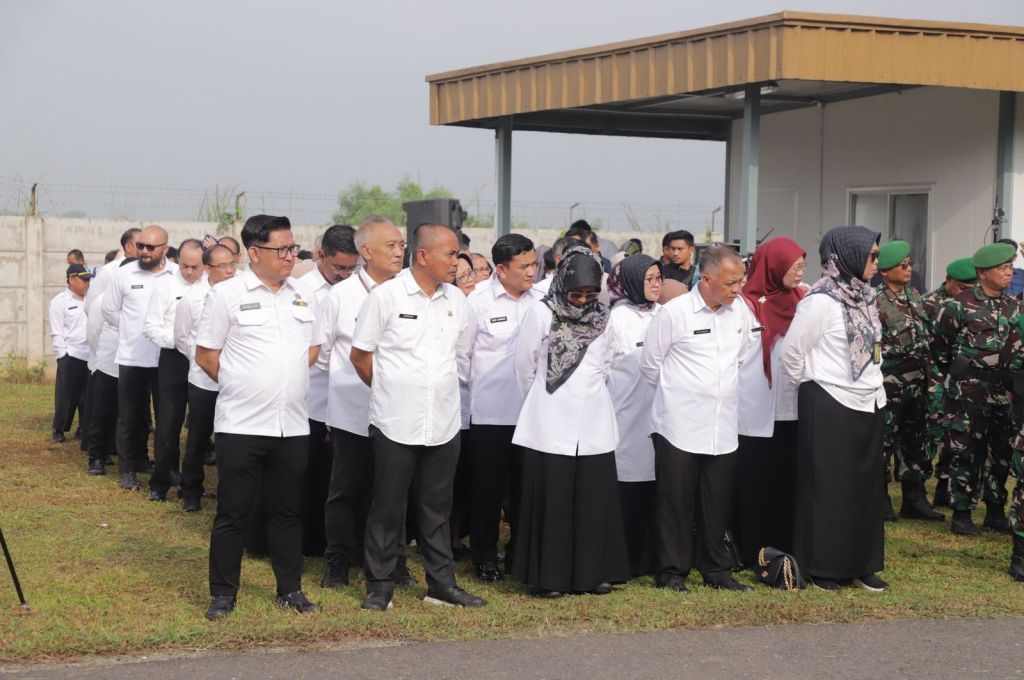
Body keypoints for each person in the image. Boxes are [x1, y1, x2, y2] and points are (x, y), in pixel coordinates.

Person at [351, 223, 484, 611]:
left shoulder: (456, 300)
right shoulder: (386, 296)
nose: (457, 262)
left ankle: (441, 585)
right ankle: (380, 587)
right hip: (395, 421)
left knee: (437, 507)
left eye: (458, 254)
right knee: (387, 506)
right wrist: (390, 389)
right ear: (423, 256)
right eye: (450, 254)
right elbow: (361, 355)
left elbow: (461, 356)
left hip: (443, 421)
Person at [196, 215, 321, 620]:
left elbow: (313, 349)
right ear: (254, 252)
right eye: (281, 249)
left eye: (292, 248)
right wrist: (242, 384)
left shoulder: (304, 294)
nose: (290, 256)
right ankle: (223, 594)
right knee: (234, 511)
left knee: (288, 511)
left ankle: (290, 589)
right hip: (241, 424)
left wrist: (283, 381)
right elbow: (206, 354)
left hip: (292, 424)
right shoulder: (227, 294)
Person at [511, 244, 629, 597]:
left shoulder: (604, 317)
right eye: (576, 294)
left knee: (593, 498)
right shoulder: (541, 312)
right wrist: (542, 402)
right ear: (562, 284)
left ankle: (593, 574)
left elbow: (607, 363)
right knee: (554, 499)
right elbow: (524, 366)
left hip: (594, 418)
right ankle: (551, 578)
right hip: (549, 417)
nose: (582, 301)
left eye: (590, 294)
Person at [780, 225, 887, 592]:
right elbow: (792, 354)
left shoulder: (866, 295)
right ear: (848, 257)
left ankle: (862, 564)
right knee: (828, 489)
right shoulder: (820, 301)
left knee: (865, 489)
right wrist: (815, 387)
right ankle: (823, 567)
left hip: (869, 399)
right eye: (871, 256)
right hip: (830, 402)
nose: (876, 263)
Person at [641, 245, 754, 593]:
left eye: (741, 281)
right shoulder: (674, 313)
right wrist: (683, 394)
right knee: (676, 502)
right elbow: (650, 365)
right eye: (730, 283)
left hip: (723, 424)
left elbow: (742, 356)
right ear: (705, 280)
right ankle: (672, 570)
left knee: (716, 501)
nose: (737, 289)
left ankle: (717, 569)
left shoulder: (740, 311)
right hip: (679, 425)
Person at [319, 217, 413, 589]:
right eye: (390, 245)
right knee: (345, 489)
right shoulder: (340, 296)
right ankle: (338, 563)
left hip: (397, 413)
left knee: (394, 492)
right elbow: (324, 354)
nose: (399, 251)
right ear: (366, 251)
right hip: (352, 410)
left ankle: (394, 563)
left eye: (401, 244)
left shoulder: (409, 291)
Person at [460, 234, 541, 582]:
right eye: (524, 266)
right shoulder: (478, 302)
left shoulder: (541, 301)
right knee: (487, 491)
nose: (532, 272)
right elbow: (461, 357)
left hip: (531, 414)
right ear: (502, 270)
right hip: (490, 415)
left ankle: (520, 555)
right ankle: (484, 557)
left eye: (534, 264)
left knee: (525, 490)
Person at [933, 242, 1020, 536]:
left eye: (1010, 267)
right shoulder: (958, 305)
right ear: (982, 273)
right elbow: (940, 348)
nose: (1009, 272)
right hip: (969, 392)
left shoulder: (1013, 305)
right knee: (966, 452)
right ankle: (961, 512)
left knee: (1001, 453)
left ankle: (995, 511)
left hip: (1004, 393)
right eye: (1002, 268)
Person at [732, 237, 806, 566]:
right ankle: (751, 549)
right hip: (755, 410)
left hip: (793, 408)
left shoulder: (804, 301)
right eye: (794, 265)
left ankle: (786, 547)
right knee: (755, 482)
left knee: (787, 481)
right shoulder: (743, 306)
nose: (800, 271)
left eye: (802, 264)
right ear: (773, 265)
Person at [102, 225, 178, 491]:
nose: (144, 251)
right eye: (140, 246)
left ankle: (167, 469)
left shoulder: (176, 275)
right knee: (129, 418)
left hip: (167, 359)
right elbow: (109, 310)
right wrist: (132, 329)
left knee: (167, 420)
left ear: (164, 248)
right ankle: (128, 469)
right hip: (132, 357)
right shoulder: (124, 274)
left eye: (150, 247)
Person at [298, 224, 359, 556]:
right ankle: (310, 540)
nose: (345, 274)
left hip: (350, 400)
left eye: (352, 267)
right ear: (320, 255)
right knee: (311, 474)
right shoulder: (302, 290)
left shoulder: (361, 290)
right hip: (313, 399)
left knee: (342, 477)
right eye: (339, 267)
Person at [873, 240, 944, 522]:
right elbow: (871, 345)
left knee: (916, 441)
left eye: (910, 264)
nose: (908, 269)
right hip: (889, 384)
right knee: (883, 442)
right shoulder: (874, 301)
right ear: (885, 270)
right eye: (902, 265)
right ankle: (879, 498)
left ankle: (914, 498)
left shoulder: (914, 297)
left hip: (918, 383)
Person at [605, 253, 662, 576]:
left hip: (660, 412)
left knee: (657, 485)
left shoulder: (666, 314)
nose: (656, 285)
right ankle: (626, 559)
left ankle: (652, 558)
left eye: (659, 278)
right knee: (629, 484)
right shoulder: (617, 318)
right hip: (626, 412)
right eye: (648, 279)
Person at [174, 244, 237, 511]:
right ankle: (190, 490)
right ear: (208, 269)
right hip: (203, 380)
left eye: (232, 264)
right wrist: (202, 360)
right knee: (198, 438)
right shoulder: (192, 299)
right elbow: (182, 337)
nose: (230, 270)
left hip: (235, 380)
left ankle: (228, 493)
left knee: (231, 440)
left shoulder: (241, 293)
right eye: (222, 266)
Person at [143, 239, 204, 501]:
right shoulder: (165, 286)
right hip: (173, 358)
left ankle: (191, 487)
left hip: (204, 360)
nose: (189, 272)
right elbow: (151, 327)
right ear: (178, 261)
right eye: (185, 266)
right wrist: (180, 341)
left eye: (196, 267)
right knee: (167, 425)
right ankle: (160, 483)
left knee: (200, 427)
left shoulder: (213, 286)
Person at [920, 258, 978, 507]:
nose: (966, 292)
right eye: (962, 287)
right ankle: (916, 489)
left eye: (970, 288)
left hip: (960, 380)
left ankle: (944, 486)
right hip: (933, 376)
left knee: (954, 435)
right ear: (948, 280)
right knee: (931, 434)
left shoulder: (973, 305)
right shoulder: (929, 304)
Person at [50, 264, 92, 442]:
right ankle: (59, 429)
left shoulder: (92, 299)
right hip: (72, 354)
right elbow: (57, 331)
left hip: (91, 354)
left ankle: (84, 427)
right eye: (84, 279)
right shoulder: (59, 302)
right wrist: (63, 355)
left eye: (89, 279)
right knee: (66, 396)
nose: (87, 283)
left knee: (88, 396)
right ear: (72, 279)